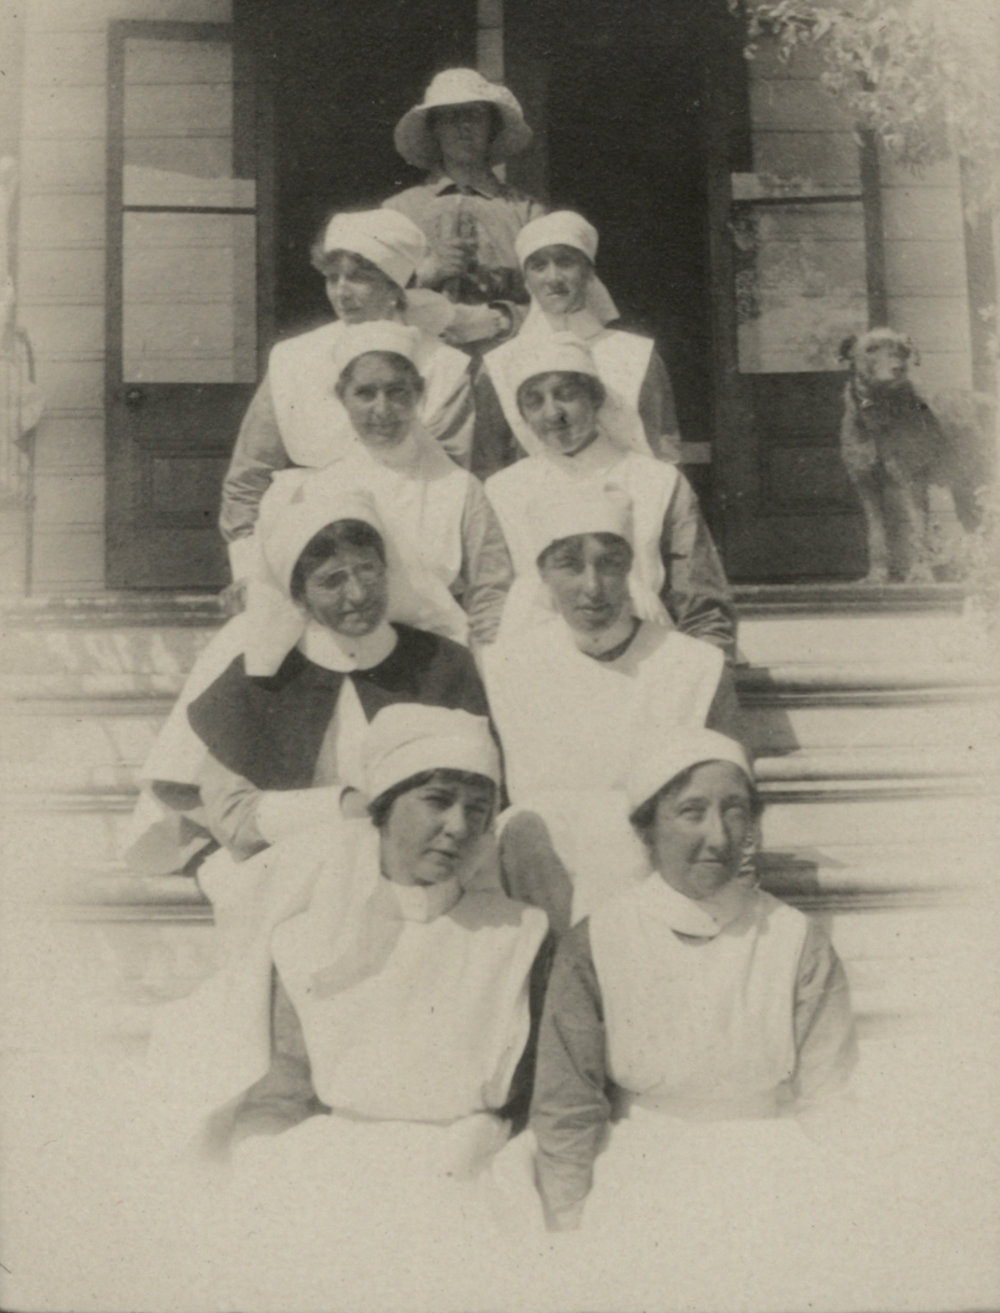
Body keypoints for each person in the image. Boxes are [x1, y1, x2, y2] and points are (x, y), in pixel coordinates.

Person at [146, 706, 553, 1304]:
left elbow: (539, 1097)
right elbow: (280, 1097)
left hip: (471, 1168)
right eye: (437, 801)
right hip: (340, 1171)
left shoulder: (520, 935)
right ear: (384, 807)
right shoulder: (309, 940)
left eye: (477, 808)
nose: (458, 826)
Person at [530, 730, 858, 1235]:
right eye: (692, 811)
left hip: (771, 1165)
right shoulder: (597, 943)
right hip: (640, 1167)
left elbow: (830, 1099)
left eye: (735, 810)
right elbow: (567, 1108)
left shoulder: (796, 941)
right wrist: (570, 1223)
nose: (719, 837)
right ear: (647, 829)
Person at [124, 480, 489, 881]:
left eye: (368, 570)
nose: (358, 593)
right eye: (332, 580)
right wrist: (339, 806)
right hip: (292, 862)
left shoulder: (442, 664)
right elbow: (232, 817)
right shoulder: (258, 681)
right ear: (298, 597)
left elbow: (481, 791)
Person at [482, 486, 743, 928]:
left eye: (608, 564)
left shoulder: (694, 666)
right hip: (541, 881)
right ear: (542, 572)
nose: (592, 586)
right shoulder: (503, 668)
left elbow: (731, 798)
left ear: (630, 567)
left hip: (657, 876)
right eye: (570, 565)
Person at [219, 207, 473, 606]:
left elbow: (452, 483)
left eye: (358, 277)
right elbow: (248, 477)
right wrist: (249, 570)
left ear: (394, 285)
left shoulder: (443, 366)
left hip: (412, 549)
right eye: (332, 277)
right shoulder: (294, 358)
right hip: (305, 548)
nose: (341, 291)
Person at [483, 329, 735, 654]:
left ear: (595, 398)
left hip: (646, 656)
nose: (553, 412)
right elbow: (491, 604)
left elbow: (702, 605)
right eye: (534, 401)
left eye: (566, 394)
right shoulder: (502, 491)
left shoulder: (657, 482)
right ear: (522, 414)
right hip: (538, 660)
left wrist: (707, 671)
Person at [304, 319, 512, 649]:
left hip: (442, 653)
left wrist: (483, 660)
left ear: (419, 393)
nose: (382, 409)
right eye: (365, 393)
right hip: (345, 651)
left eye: (396, 392)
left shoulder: (460, 489)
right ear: (342, 397)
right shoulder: (318, 490)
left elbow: (492, 593)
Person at [473, 210, 680, 475]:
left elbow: (665, 453)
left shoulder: (636, 355)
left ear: (589, 272)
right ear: (526, 279)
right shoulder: (498, 365)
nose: (553, 278)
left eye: (565, 263)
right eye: (539, 266)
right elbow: (490, 464)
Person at [384, 68, 544, 355]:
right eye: (450, 117)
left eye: (475, 116)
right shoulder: (399, 211)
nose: (464, 126)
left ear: (492, 127)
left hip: (511, 358)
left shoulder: (526, 211)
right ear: (434, 128)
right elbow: (371, 302)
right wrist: (426, 274)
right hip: (423, 362)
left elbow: (556, 299)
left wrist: (501, 319)